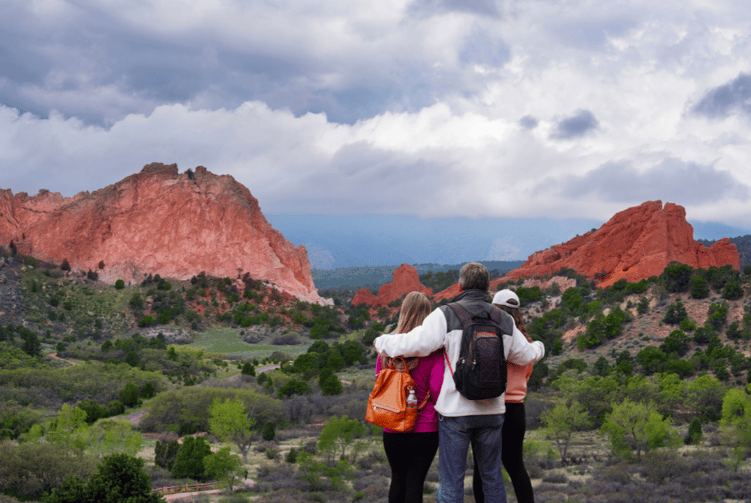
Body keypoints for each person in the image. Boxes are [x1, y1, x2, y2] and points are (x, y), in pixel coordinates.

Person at [375, 263, 545, 503]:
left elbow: (413, 344)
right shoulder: (503, 319)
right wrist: (540, 346)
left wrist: (381, 342)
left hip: (455, 413)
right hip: (493, 411)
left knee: (452, 482)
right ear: (487, 287)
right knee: (492, 479)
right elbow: (526, 355)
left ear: (461, 285)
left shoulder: (446, 314)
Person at [377, 291, 444, 503]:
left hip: (392, 425)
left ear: (403, 312)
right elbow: (438, 390)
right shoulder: (434, 352)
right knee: (415, 483)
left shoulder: (386, 350)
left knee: (397, 479)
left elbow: (379, 383)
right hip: (425, 427)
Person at [473, 289, 536, 503]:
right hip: (516, 408)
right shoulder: (527, 342)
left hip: (490, 405)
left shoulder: (490, 336)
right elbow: (527, 374)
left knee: (482, 467)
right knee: (516, 465)